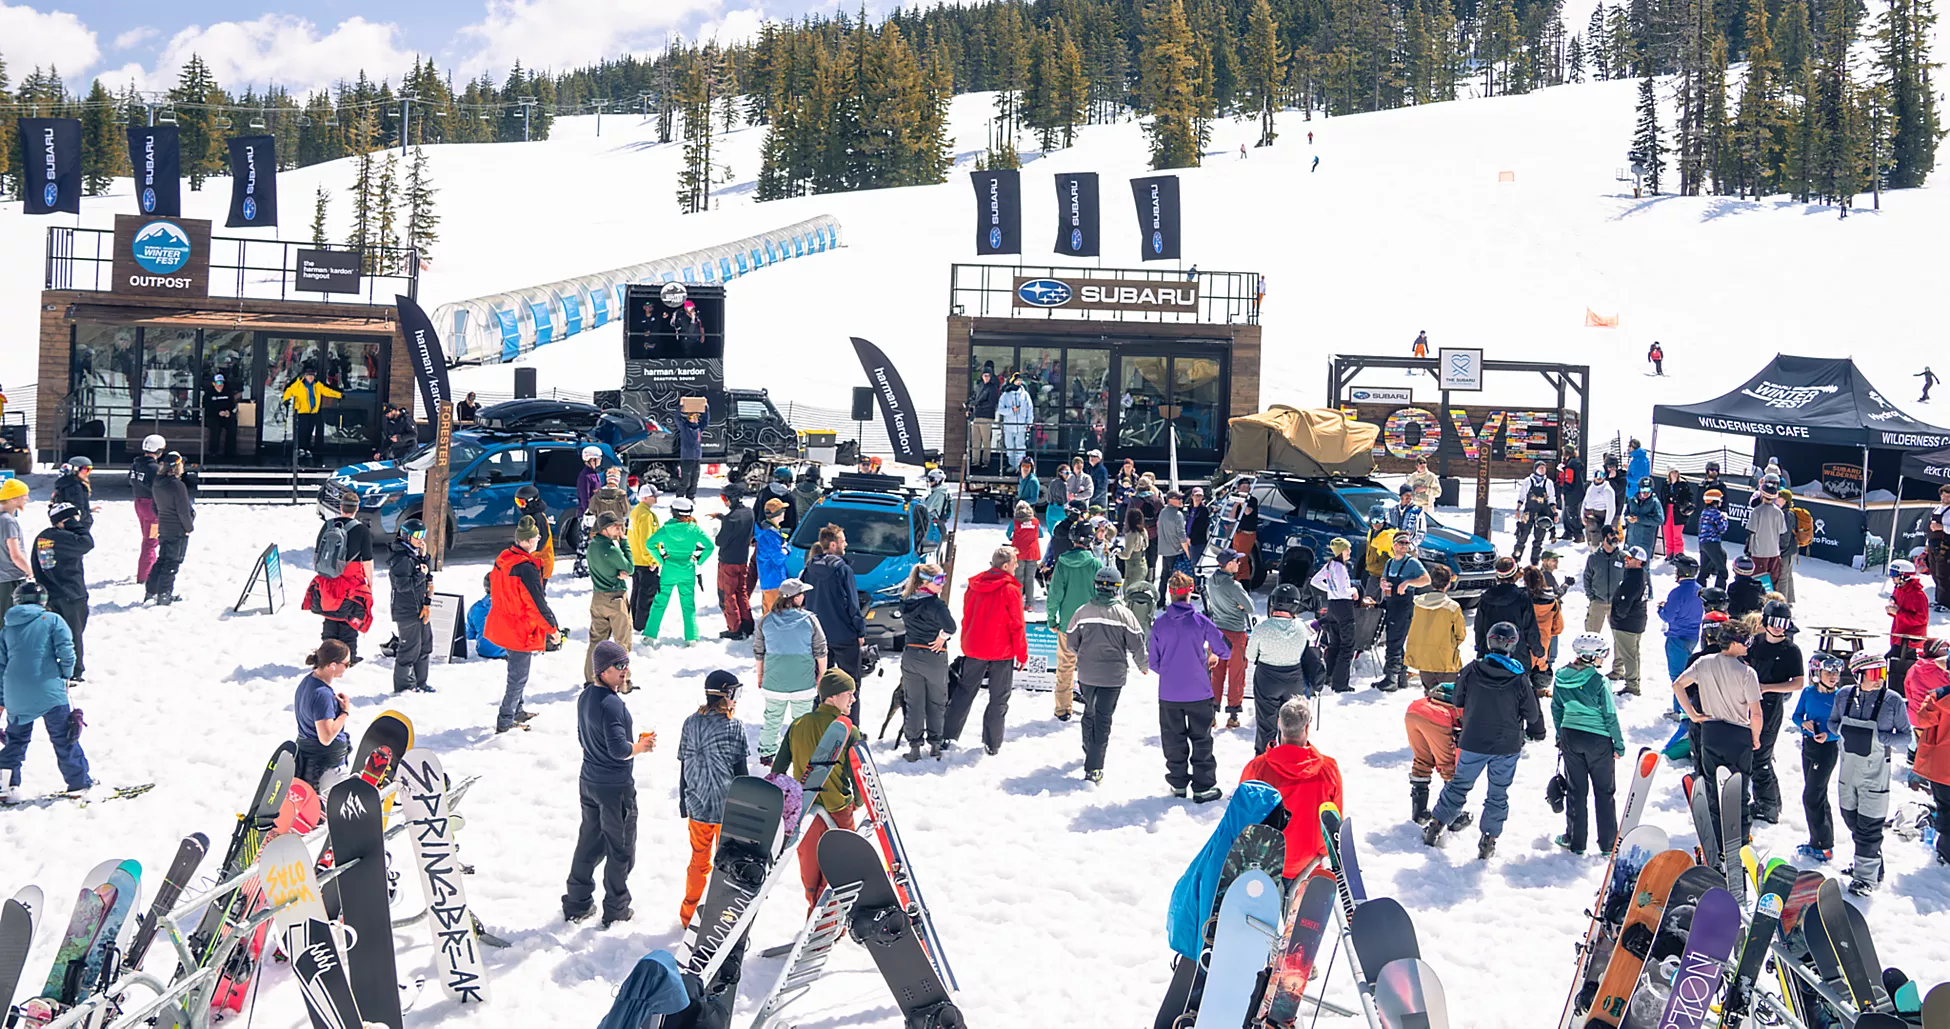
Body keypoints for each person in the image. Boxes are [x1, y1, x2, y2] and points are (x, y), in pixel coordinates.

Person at [1422, 622, 1547, 859]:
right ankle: (1488, 840)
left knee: (1459, 784)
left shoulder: (1472, 669)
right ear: (1513, 644)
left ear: (1489, 641)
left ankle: (1436, 825)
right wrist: (1537, 731)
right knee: (1498, 793)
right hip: (1506, 745)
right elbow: (1532, 714)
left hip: (1473, 741)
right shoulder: (1519, 677)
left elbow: (1457, 699)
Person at [564, 639, 656, 927]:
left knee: (588, 843)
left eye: (627, 664)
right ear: (602, 670)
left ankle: (577, 904)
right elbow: (619, 750)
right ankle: (616, 910)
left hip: (589, 780)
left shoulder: (586, 695)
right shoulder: (612, 704)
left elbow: (583, 738)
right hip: (614, 787)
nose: (625, 670)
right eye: (618, 666)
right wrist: (640, 746)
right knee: (621, 849)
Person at [770, 670, 862, 909]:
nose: (853, 699)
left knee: (811, 876)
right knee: (840, 874)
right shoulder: (846, 730)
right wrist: (859, 802)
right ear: (832, 696)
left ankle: (814, 918)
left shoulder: (797, 724)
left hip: (806, 811)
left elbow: (778, 770)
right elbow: (857, 774)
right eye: (849, 694)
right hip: (838, 810)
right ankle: (830, 926)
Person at [1672, 619, 1764, 844]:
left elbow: (1677, 685)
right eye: (1745, 641)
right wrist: (1755, 737)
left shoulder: (1704, 662)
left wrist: (1693, 714)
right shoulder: (1747, 672)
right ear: (1733, 643)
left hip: (1711, 731)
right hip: (1738, 733)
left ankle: (1715, 838)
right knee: (1738, 789)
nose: (1748, 646)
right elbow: (1757, 713)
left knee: (1713, 786)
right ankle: (1739, 839)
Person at [1828, 651, 1912, 895]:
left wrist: (1878, 737)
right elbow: (1833, 723)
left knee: (1869, 827)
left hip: (1876, 774)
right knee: (1851, 819)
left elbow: (1906, 738)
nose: (1880, 679)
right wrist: (1845, 729)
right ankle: (1872, 864)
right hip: (1848, 773)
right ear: (1857, 675)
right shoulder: (1844, 696)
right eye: (1874, 674)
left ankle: (1865, 879)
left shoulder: (1893, 700)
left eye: (1882, 673)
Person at [0, 581, 90, 800]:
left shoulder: (7, 627)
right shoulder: (53, 620)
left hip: (15, 692)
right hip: (48, 688)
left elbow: (1, 665)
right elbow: (67, 651)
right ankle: (78, 784)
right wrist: (66, 674)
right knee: (63, 737)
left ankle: (4, 785)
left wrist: (3, 697)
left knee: (15, 741)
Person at [1241, 699, 1344, 880]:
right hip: (1312, 865)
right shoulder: (1329, 769)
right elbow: (1335, 822)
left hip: (1266, 863)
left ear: (1279, 724)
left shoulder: (1257, 769)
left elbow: (1241, 821)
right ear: (1306, 728)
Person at [1150, 573, 1230, 803]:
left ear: (1170, 592)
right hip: (1199, 691)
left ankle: (1178, 784)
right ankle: (1203, 786)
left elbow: (1153, 662)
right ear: (1190, 592)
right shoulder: (1201, 622)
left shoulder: (1160, 623)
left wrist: (1171, 669)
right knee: (1202, 739)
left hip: (1169, 693)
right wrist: (1209, 656)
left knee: (1173, 739)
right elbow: (1225, 649)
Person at [1064, 566, 1149, 781]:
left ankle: (1088, 747)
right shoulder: (1124, 615)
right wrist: (1143, 665)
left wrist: (1083, 656)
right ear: (1117, 589)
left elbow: (1071, 641)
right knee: (1103, 719)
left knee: (1089, 712)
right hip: (1113, 676)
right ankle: (1094, 767)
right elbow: (1137, 644)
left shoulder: (1082, 612)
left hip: (1087, 674)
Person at [678, 670, 749, 925]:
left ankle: (689, 915)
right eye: (736, 693)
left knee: (699, 860)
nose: (737, 699)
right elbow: (741, 771)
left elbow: (684, 763)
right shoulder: (734, 726)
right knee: (726, 864)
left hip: (697, 805)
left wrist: (682, 799)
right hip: (727, 808)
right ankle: (722, 916)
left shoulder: (689, 722)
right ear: (724, 695)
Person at [486, 517, 562, 734]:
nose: (539, 540)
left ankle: (517, 710)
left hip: (503, 622)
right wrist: (553, 629)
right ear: (528, 541)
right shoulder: (525, 568)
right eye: (537, 537)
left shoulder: (504, 558)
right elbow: (536, 605)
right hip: (519, 629)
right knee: (518, 677)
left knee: (516, 672)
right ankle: (506, 719)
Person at [1551, 633, 1626, 855]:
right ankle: (1608, 843)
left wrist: (1560, 735)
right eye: (1603, 654)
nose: (1604, 658)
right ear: (1592, 656)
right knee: (1604, 791)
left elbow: (1556, 709)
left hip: (1570, 735)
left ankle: (1575, 841)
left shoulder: (1561, 677)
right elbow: (1610, 714)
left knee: (1576, 790)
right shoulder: (1599, 681)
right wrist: (1618, 744)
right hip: (1598, 739)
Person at [948, 547, 1026, 756]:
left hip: (974, 646)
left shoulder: (974, 585)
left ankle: (947, 736)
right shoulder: (1010, 590)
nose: (1017, 566)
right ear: (1005, 566)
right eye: (1015, 562)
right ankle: (992, 743)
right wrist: (1022, 653)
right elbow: (1017, 624)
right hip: (1002, 650)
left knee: (964, 693)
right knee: (998, 697)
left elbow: (967, 614)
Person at [1744, 600, 1806, 824]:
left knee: (1760, 755)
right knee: (1754, 753)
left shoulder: (1790, 650)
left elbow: (1797, 683)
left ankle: (1768, 806)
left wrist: (1768, 687)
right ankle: (1771, 800)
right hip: (1748, 704)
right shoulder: (1755, 642)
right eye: (1775, 621)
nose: (1779, 627)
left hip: (1771, 705)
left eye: (1783, 623)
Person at [753, 578, 827, 761]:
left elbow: (759, 652)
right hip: (803, 682)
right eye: (801, 594)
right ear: (794, 598)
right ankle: (803, 753)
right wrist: (822, 675)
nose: (803, 597)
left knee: (772, 719)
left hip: (774, 682)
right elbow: (821, 649)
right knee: (802, 721)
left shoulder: (766, 621)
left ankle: (767, 754)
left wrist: (761, 676)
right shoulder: (810, 619)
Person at [803, 525, 867, 721]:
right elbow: (852, 605)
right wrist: (860, 631)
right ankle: (851, 727)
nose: (845, 544)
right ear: (833, 544)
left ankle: (820, 723)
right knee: (850, 685)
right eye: (843, 540)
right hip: (844, 635)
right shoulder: (843, 570)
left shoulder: (809, 568)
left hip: (819, 637)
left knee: (823, 684)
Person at [1245, 584, 1316, 754]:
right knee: (1293, 725)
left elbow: (1250, 655)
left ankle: (1264, 760)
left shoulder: (1262, 628)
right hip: (1294, 679)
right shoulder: (1301, 627)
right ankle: (1293, 759)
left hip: (1267, 679)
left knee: (1266, 725)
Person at [897, 564, 957, 762]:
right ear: (924, 581)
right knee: (937, 701)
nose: (943, 584)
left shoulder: (905, 602)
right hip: (934, 656)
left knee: (914, 703)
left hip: (911, 655)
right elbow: (951, 627)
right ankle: (935, 745)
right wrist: (942, 637)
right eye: (939, 580)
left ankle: (914, 748)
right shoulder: (936, 605)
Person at [1046, 525, 1105, 723]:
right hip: (1090, 624)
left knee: (1065, 668)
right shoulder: (1095, 564)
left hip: (1067, 625)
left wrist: (1051, 618)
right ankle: (1092, 706)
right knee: (1091, 668)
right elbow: (1102, 595)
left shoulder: (1062, 563)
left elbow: (1055, 594)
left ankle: (1063, 708)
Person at [307, 493, 375, 659]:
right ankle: (347, 659)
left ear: (340, 507)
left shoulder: (328, 526)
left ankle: (326, 656)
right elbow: (367, 560)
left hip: (328, 580)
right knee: (348, 621)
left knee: (330, 619)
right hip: (351, 581)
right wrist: (370, 584)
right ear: (357, 508)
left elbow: (317, 555)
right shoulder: (361, 530)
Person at [1794, 651, 1845, 862]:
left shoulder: (1841, 696)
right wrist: (1803, 724)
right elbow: (1797, 715)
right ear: (1816, 673)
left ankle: (1822, 845)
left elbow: (1844, 724)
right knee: (1818, 794)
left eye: (1836, 672)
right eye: (1828, 671)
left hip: (1827, 749)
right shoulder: (1808, 693)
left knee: (1811, 796)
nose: (1833, 676)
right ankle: (1821, 841)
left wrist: (1830, 734)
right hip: (1809, 746)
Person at [32, 502, 92, 680]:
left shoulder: (43, 537)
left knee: (54, 635)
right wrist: (74, 524)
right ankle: (74, 671)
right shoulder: (65, 537)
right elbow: (87, 542)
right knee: (73, 635)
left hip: (50, 593)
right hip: (71, 594)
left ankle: (55, 667)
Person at [643, 498, 714, 647]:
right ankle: (691, 637)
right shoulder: (694, 529)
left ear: (673, 512)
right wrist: (698, 560)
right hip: (688, 569)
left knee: (659, 602)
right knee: (688, 604)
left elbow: (650, 544)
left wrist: (661, 560)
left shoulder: (666, 529)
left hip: (669, 569)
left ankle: (649, 635)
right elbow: (710, 547)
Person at [292, 639, 353, 790]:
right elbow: (326, 737)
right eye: (346, 664)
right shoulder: (323, 695)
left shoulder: (307, 681)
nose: (347, 668)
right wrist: (344, 712)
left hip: (309, 761)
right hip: (328, 769)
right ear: (332, 665)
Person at [1373, 535, 1431, 693]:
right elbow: (1383, 578)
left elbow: (1426, 579)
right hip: (1391, 604)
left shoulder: (1412, 562)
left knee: (1394, 643)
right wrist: (1383, 583)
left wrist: (1408, 583)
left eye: (1407, 543)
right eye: (1401, 543)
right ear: (1394, 545)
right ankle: (1402, 677)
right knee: (1396, 641)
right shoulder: (1390, 562)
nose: (1404, 546)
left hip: (1403, 607)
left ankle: (1390, 678)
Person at [582, 511, 635, 683]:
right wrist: (625, 541)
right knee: (622, 643)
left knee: (596, 642)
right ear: (604, 528)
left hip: (598, 598)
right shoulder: (611, 549)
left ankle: (590, 679)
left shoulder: (593, 545)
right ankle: (623, 681)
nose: (619, 529)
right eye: (615, 526)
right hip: (616, 599)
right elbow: (631, 567)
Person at [1205, 550, 1256, 723]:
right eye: (1236, 561)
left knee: (1216, 673)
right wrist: (1240, 606)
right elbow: (1250, 607)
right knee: (1236, 674)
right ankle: (1233, 714)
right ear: (1228, 564)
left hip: (1217, 632)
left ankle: (1211, 713)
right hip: (1235, 633)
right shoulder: (1234, 586)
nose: (1239, 563)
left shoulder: (1211, 581)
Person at [1909, 656, 1950, 866]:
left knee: (1945, 807)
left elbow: (1923, 720)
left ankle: (1945, 853)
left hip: (1942, 766)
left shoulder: (1937, 696)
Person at [387, 519, 435, 694]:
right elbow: (402, 586)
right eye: (417, 535)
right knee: (409, 650)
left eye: (423, 534)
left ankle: (420, 682)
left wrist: (425, 558)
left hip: (420, 608)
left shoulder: (414, 554)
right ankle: (404, 687)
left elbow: (426, 573)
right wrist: (420, 576)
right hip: (406, 611)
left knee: (425, 646)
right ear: (406, 535)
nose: (421, 539)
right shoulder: (401, 558)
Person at [1475, 557, 1543, 680]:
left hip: (1490, 654)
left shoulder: (1486, 597)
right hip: (1517, 655)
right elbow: (1530, 629)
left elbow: (1478, 628)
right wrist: (1539, 652)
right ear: (1515, 574)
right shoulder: (1522, 597)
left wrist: (1481, 649)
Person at [1311, 537, 1362, 694]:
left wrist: (1329, 589)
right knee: (1347, 647)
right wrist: (1354, 590)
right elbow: (1343, 591)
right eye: (1347, 549)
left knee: (1334, 645)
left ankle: (1329, 676)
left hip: (1332, 606)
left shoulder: (1329, 565)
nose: (1350, 552)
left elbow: (1315, 581)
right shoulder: (1340, 568)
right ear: (1341, 551)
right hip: (1343, 607)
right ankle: (1340, 684)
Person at [148, 452, 195, 606]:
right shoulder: (177, 485)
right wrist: (188, 527)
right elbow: (183, 510)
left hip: (164, 526)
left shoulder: (157, 481)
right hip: (177, 529)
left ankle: (151, 592)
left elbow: (154, 506)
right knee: (172, 562)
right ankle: (164, 595)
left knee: (162, 560)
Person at [712, 487, 756, 641]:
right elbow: (737, 522)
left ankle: (735, 628)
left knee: (727, 595)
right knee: (741, 591)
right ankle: (747, 623)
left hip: (728, 562)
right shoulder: (749, 512)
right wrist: (722, 517)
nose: (724, 502)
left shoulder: (731, 519)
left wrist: (720, 526)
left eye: (725, 499)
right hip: (742, 560)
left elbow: (720, 541)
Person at [1658, 555, 1704, 697]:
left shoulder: (1677, 593)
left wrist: (1661, 609)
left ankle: (1680, 709)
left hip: (1677, 637)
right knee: (1687, 673)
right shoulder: (1701, 590)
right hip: (1693, 637)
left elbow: (1668, 616)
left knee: (1678, 678)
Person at [1609, 546, 1651, 696]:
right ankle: (1630, 678)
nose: (1626, 560)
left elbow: (1625, 602)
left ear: (1639, 562)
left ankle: (1632, 685)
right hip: (1635, 621)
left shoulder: (1634, 578)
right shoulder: (1641, 575)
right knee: (1632, 653)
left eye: (1629, 558)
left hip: (1628, 623)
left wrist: (1618, 615)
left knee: (1629, 655)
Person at [281, 367, 342, 463]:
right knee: (302, 431)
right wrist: (286, 400)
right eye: (309, 376)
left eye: (312, 376)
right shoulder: (298, 385)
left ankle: (307, 448)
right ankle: (300, 448)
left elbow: (327, 391)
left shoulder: (317, 385)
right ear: (305, 376)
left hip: (312, 412)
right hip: (301, 412)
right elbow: (288, 391)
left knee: (310, 430)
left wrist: (339, 395)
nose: (311, 378)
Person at [129, 434, 165, 586]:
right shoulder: (154, 468)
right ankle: (145, 574)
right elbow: (159, 488)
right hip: (152, 507)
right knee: (151, 541)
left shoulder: (136, 464)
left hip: (139, 503)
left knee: (147, 538)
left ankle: (147, 567)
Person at [627, 485, 664, 632]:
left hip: (636, 559)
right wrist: (652, 560)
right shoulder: (646, 516)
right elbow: (647, 540)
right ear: (645, 497)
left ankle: (634, 620)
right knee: (646, 594)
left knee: (636, 591)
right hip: (645, 561)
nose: (656, 498)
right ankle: (642, 624)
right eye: (654, 495)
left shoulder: (636, 512)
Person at [1528, 565, 1565, 696]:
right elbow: (1558, 627)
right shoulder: (1553, 602)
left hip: (1525, 644)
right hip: (1544, 643)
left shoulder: (1523, 600)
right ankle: (1540, 690)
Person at [1515, 461, 1559, 563]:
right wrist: (1518, 508)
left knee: (1539, 539)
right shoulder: (1528, 481)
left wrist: (1555, 513)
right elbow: (1521, 496)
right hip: (1528, 512)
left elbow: (1552, 499)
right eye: (1540, 468)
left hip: (1542, 513)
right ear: (1535, 469)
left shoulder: (1548, 483)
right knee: (1522, 536)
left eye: (1544, 468)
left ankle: (1534, 561)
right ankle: (1516, 558)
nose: (1542, 469)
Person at [1582, 532, 1624, 634]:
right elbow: (1587, 577)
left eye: (1617, 534)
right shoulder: (1594, 557)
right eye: (1612, 535)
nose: (1615, 537)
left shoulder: (1623, 557)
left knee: (1621, 638)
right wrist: (1591, 597)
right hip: (1598, 602)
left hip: (1616, 604)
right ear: (1605, 539)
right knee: (1591, 636)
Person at [754, 499, 791, 616]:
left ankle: (763, 634)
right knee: (776, 614)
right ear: (777, 514)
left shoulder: (767, 531)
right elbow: (778, 558)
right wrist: (786, 549)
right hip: (774, 579)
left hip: (768, 579)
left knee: (767, 613)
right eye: (783, 510)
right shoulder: (771, 535)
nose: (784, 513)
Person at [1744, 488, 1787, 585]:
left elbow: (1751, 530)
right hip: (1774, 552)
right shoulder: (1779, 512)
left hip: (1759, 553)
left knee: (1758, 582)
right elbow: (1782, 530)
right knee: (1773, 583)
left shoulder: (1757, 511)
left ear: (1762, 495)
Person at [966, 362, 1001, 472]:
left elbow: (991, 403)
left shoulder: (993, 388)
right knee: (975, 440)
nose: (986, 378)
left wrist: (976, 403)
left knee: (986, 440)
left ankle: (986, 462)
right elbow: (973, 398)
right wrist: (970, 405)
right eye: (984, 375)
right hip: (977, 416)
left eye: (988, 376)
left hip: (987, 417)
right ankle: (975, 461)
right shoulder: (979, 386)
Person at [1887, 559, 1928, 652]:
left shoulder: (1917, 595)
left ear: (1904, 576)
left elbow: (1922, 619)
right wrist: (1892, 611)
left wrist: (1898, 612)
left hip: (1911, 642)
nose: (1892, 577)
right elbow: (1898, 613)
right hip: (1898, 637)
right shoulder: (1898, 590)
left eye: (1894, 574)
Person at [996, 373, 1035, 469]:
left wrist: (1029, 423)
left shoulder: (1025, 395)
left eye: (1020, 381)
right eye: (1017, 380)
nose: (1019, 382)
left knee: (1020, 447)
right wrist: (1010, 410)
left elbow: (1030, 410)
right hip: (1009, 426)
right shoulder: (1005, 395)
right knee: (1009, 446)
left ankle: (1019, 466)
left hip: (1021, 426)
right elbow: (1000, 409)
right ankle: (1012, 464)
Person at [1656, 468, 1693, 560]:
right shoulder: (1665, 484)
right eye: (1672, 472)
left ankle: (1678, 556)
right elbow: (1663, 497)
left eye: (1676, 472)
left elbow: (1689, 497)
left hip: (1678, 511)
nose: (1675, 474)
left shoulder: (1683, 484)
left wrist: (1678, 501)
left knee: (1677, 535)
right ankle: (1669, 554)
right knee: (1668, 534)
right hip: (1667, 510)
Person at [0, 480, 25, 619]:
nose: (27, 498)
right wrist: (30, 571)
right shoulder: (8, 521)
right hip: (10, 578)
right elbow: (15, 555)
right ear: (13, 498)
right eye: (23, 495)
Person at [1156, 491, 1190, 593]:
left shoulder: (1162, 512)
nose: (1181, 501)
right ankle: (1176, 601)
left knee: (1164, 577)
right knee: (1176, 580)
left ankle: (1161, 601)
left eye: (1181, 498)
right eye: (1178, 498)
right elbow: (1181, 535)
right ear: (1170, 500)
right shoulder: (1178, 514)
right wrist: (1188, 553)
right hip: (1175, 551)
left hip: (1164, 551)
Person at [467, 573, 506, 660]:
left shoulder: (475, 608)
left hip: (482, 652)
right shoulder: (510, 606)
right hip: (505, 652)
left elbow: (470, 634)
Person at [1697, 489, 1730, 589]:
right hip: (1713, 543)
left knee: (1704, 569)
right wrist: (1725, 519)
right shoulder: (1716, 513)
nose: (1721, 501)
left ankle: (1699, 590)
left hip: (1703, 544)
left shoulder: (1704, 512)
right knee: (1722, 570)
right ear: (1714, 500)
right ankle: (1719, 592)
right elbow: (1722, 529)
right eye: (1720, 499)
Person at [675, 403, 708, 500]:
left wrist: (706, 407)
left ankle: (691, 497)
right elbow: (677, 418)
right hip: (687, 457)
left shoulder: (698, 428)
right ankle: (680, 498)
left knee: (694, 480)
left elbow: (706, 420)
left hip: (697, 457)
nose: (696, 419)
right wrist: (680, 407)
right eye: (694, 417)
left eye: (697, 417)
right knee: (685, 481)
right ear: (689, 418)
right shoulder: (685, 427)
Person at [1621, 479, 1661, 557]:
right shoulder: (1632, 500)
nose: (1645, 493)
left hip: (1644, 540)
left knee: (1643, 566)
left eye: (1648, 490)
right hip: (1631, 539)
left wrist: (1639, 519)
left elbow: (1659, 519)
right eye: (1643, 489)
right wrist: (1629, 519)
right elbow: (1626, 513)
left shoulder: (1655, 503)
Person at [204, 373, 239, 459]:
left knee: (232, 426)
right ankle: (213, 451)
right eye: (218, 383)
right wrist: (218, 413)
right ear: (214, 384)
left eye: (222, 383)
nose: (220, 385)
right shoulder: (208, 395)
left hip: (225, 415)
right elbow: (207, 408)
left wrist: (228, 412)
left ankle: (230, 452)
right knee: (215, 428)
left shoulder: (228, 393)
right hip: (212, 417)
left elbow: (232, 404)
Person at [1927, 485, 1950, 611]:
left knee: (1943, 574)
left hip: (1945, 546)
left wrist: (1942, 527)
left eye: (1948, 495)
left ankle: (1946, 603)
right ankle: (1938, 599)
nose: (1945, 497)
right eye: (1944, 494)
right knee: (1934, 572)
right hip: (1933, 545)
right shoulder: (1937, 508)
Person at [1581, 474, 1617, 548]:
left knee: (1596, 541)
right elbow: (1585, 501)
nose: (1599, 477)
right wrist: (1582, 515)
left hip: (1600, 516)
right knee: (1590, 540)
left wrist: (1607, 525)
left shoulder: (1607, 489)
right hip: (1589, 516)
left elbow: (1611, 508)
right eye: (1596, 475)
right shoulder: (1591, 487)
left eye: (1601, 475)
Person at [759, 468, 799, 533]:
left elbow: (756, 513)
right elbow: (794, 522)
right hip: (783, 536)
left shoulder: (763, 493)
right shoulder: (790, 497)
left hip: (763, 533)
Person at [1558, 455, 1587, 540]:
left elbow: (1569, 480)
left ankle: (1578, 535)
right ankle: (1569, 533)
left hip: (1571, 493)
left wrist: (1564, 491)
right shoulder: (1577, 463)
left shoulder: (1570, 465)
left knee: (1571, 514)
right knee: (1571, 513)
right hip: (1579, 491)